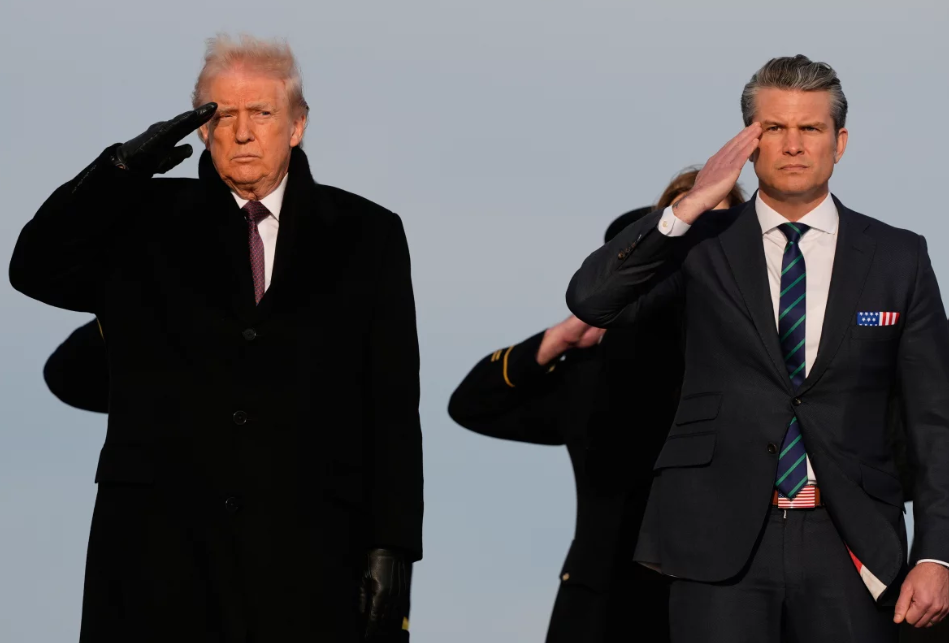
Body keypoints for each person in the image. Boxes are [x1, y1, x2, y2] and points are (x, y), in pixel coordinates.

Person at [10, 34, 422, 642]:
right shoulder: (140, 219)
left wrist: (392, 547)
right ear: (201, 128)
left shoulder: (367, 234)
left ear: (298, 125)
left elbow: (391, 406)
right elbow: (34, 268)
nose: (243, 132)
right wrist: (120, 169)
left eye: (262, 112)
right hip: (156, 562)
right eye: (224, 115)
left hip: (307, 561)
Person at [565, 55, 949, 642]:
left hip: (852, 542)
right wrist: (688, 205)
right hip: (717, 541)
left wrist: (937, 553)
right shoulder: (699, 245)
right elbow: (592, 301)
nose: (793, 145)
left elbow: (934, 421)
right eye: (775, 128)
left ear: (840, 142)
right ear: (748, 142)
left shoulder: (900, 256)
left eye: (810, 128)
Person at [448, 176, 744, 643]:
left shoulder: (751, 366)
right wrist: (560, 337)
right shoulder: (596, 369)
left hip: (715, 603)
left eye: (712, 225)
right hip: (599, 606)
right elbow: (472, 405)